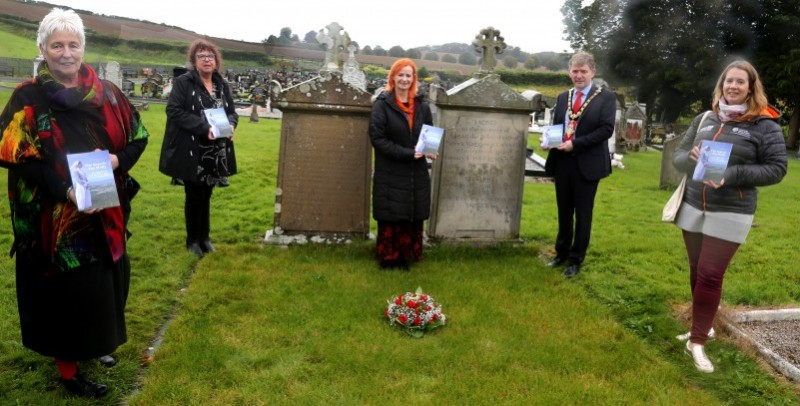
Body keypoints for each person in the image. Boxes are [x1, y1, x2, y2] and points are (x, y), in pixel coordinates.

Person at [0, 8, 149, 397]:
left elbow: (138, 137)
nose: (66, 53)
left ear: (84, 47)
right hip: (55, 218)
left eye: (73, 44)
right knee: (67, 294)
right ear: (42, 49)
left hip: (105, 210)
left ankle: (96, 345)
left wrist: (118, 160)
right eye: (57, 45)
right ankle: (69, 371)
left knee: (103, 284)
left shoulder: (108, 95)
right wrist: (64, 190)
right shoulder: (28, 98)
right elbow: (17, 156)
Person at [672, 60, 787, 373]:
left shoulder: (765, 125)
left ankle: (697, 343)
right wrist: (690, 157)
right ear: (721, 85)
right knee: (696, 271)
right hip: (695, 205)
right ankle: (704, 325)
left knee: (710, 274)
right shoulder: (706, 118)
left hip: (732, 210)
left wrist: (732, 174)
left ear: (751, 87)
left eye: (740, 82)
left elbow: (777, 169)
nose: (733, 86)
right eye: (728, 81)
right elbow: (679, 157)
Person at [159, 39, 238, 258]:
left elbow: (232, 111)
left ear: (216, 60)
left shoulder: (221, 84)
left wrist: (231, 125)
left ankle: (205, 238)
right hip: (192, 147)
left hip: (215, 150)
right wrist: (205, 128)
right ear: (194, 60)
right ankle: (192, 240)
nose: (206, 60)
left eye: (210, 56)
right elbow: (173, 111)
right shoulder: (184, 82)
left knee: (207, 193)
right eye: (201, 56)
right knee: (194, 194)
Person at [543, 51, 616, 279]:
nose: (579, 75)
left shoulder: (606, 97)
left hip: (587, 164)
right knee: (563, 211)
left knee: (583, 214)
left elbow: (606, 130)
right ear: (569, 72)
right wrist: (550, 141)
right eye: (575, 70)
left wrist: (575, 144)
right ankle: (561, 253)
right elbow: (558, 125)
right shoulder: (563, 96)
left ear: (592, 72)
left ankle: (576, 259)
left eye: (583, 71)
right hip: (563, 162)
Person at [369, 58, 436, 270]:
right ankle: (390, 258)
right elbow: (378, 139)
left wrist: (431, 150)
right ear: (393, 78)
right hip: (391, 169)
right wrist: (409, 153)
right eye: (401, 75)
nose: (404, 79)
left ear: (413, 79)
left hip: (415, 171)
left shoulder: (422, 106)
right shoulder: (382, 105)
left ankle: (407, 254)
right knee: (392, 213)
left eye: (409, 75)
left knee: (412, 211)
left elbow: (429, 134)